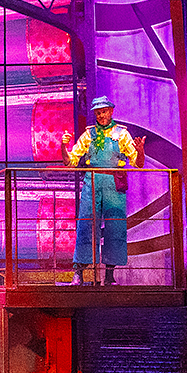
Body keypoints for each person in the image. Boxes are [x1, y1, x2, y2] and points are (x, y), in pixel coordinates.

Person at [63, 94, 144, 284]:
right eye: (98, 112)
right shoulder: (88, 135)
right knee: (86, 224)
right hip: (92, 181)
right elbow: (70, 161)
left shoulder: (122, 134)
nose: (101, 115)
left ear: (111, 111)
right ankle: (79, 271)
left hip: (113, 183)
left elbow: (138, 163)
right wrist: (63, 146)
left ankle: (109, 274)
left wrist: (140, 151)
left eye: (104, 111)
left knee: (115, 225)